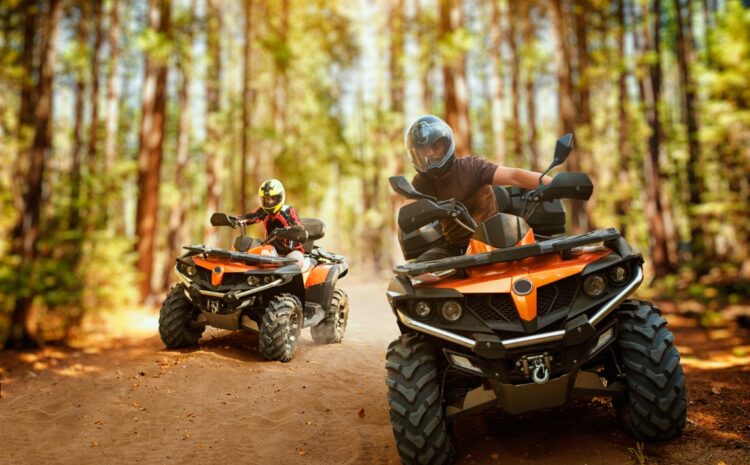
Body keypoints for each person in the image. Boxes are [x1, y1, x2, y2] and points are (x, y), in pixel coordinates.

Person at [405, 114, 552, 262]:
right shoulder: (422, 182)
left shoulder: (472, 167)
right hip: (457, 249)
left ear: (445, 143)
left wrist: (555, 183)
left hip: (496, 238)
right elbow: (407, 212)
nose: (429, 153)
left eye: (435, 146)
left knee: (549, 258)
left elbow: (513, 175)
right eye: (422, 150)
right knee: (417, 273)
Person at [238, 179, 307, 270]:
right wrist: (234, 220)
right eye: (267, 199)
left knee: (294, 264)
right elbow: (251, 217)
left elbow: (297, 225)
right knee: (251, 258)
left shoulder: (288, 211)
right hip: (271, 251)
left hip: (291, 251)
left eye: (273, 199)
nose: (269, 202)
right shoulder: (263, 211)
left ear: (279, 198)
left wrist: (292, 230)